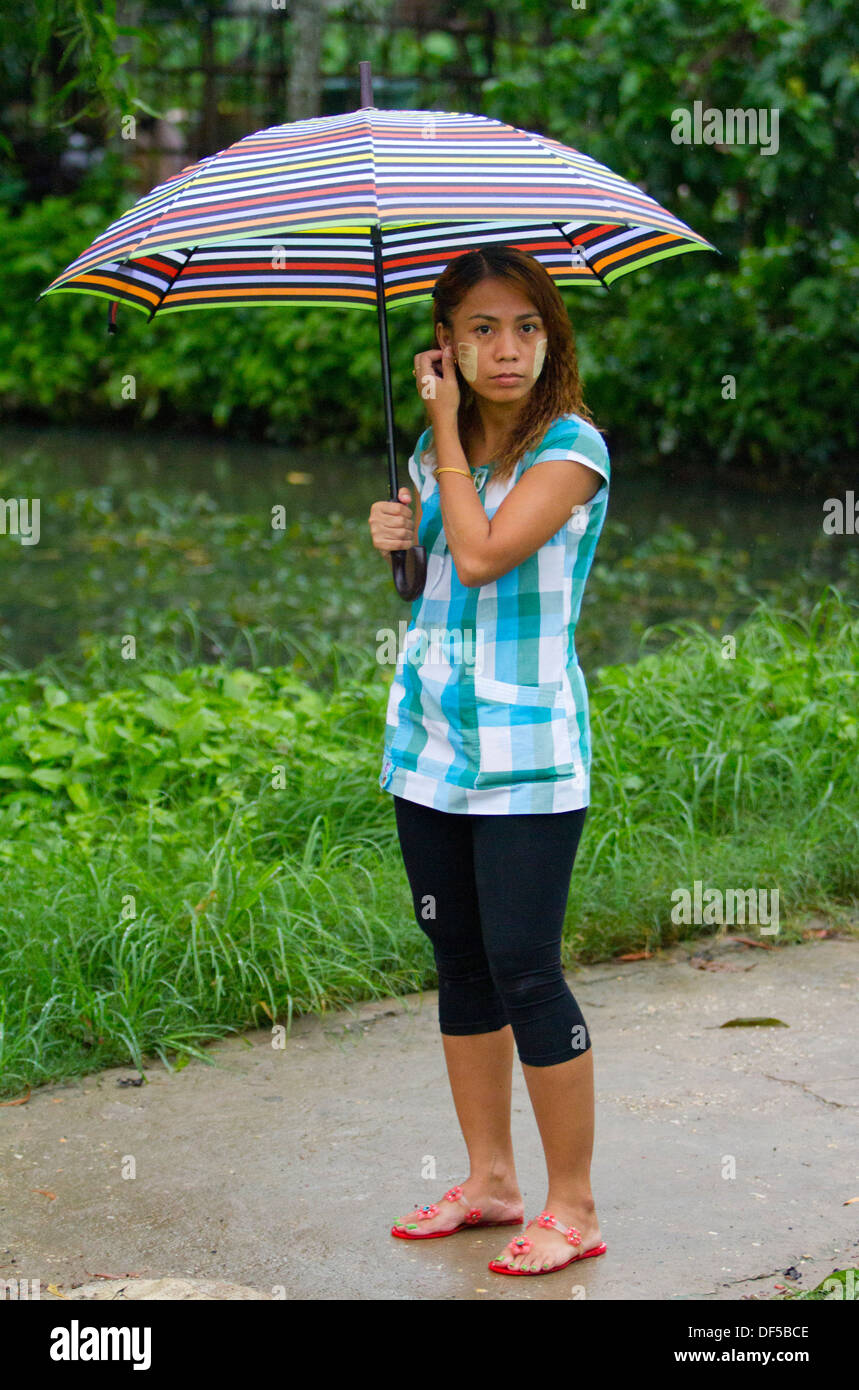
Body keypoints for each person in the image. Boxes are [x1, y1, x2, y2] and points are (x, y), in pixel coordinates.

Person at [367, 243, 610, 1277]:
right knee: (458, 964)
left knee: (523, 967)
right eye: (479, 328)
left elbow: (484, 551)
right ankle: (489, 1180)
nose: (505, 349)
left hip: (526, 754)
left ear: (549, 337)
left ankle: (573, 1204)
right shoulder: (441, 456)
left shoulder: (573, 449)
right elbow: (439, 579)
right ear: (445, 344)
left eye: (524, 327)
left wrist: (437, 440)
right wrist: (393, 541)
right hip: (427, 744)